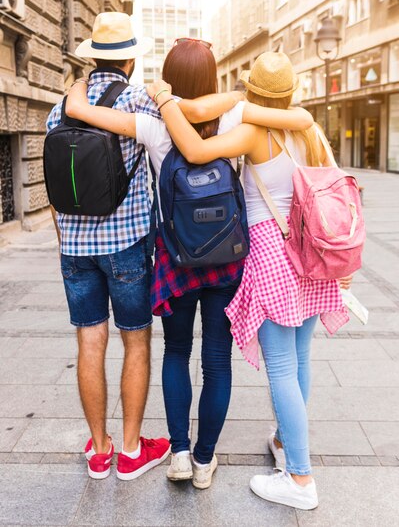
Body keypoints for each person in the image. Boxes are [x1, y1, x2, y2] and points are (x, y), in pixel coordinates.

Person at [65, 39, 314, 489]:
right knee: (217, 361)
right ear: (213, 80)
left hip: (176, 258)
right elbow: (298, 118)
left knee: (176, 353)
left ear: (170, 77)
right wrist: (239, 97)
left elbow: (86, 114)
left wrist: (79, 88)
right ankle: (203, 461)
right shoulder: (237, 117)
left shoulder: (153, 124)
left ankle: (179, 453)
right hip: (226, 257)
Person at [145, 52, 352, 510]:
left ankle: (299, 478)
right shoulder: (308, 128)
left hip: (274, 254)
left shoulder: (255, 128)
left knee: (280, 367)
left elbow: (196, 150)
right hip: (311, 251)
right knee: (300, 359)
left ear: (253, 90)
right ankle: (284, 441)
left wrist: (162, 99)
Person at [46, 11, 174, 481]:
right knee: (136, 341)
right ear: (132, 60)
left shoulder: (61, 107)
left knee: (89, 341)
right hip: (127, 243)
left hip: (75, 248)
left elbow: (56, 180)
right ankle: (131, 449)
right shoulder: (141, 101)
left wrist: (66, 241)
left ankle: (99, 451)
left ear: (93, 57)